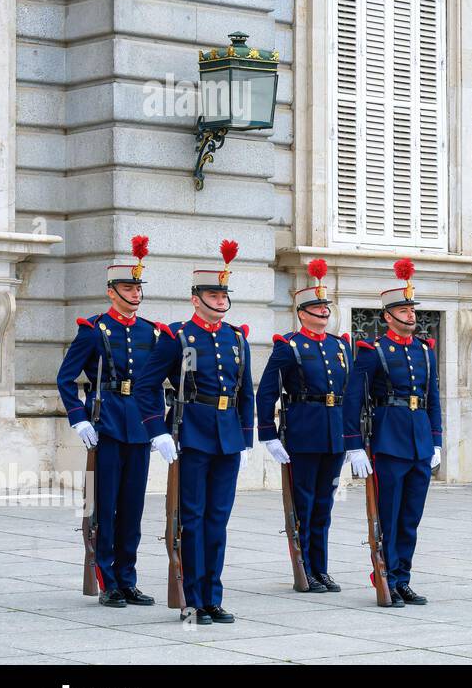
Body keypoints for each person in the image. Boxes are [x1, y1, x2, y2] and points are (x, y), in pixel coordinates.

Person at [135, 240, 254, 624]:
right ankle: (193, 598)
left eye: (223, 294)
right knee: (194, 518)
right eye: (212, 294)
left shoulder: (236, 338)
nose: (220, 300)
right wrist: (159, 431)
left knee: (218, 519)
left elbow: (244, 391)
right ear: (196, 299)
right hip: (192, 432)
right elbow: (146, 384)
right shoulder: (178, 336)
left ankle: (213, 597)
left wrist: (246, 438)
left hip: (227, 436)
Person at [56, 237, 160, 606]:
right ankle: (108, 578)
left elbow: (162, 381)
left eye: (137, 287)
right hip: (107, 424)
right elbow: (65, 378)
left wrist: (161, 427)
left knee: (133, 507)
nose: (135, 293)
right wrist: (79, 419)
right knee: (105, 505)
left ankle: (128, 578)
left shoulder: (153, 332)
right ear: (111, 291)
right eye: (128, 287)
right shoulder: (94, 329)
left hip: (141, 426)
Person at [342, 259, 442, 608]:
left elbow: (433, 398)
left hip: (419, 441)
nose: (411, 316)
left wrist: (437, 440)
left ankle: (403, 578)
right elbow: (352, 399)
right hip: (388, 440)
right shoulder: (374, 352)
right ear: (387, 316)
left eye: (412, 309)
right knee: (388, 513)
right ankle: (383, 574)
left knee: (411, 517)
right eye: (403, 310)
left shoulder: (425, 352)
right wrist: (354, 446)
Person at [256, 259, 351, 591]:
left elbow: (352, 394)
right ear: (303, 312)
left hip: (335, 434)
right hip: (303, 432)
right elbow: (267, 392)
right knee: (305, 503)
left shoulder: (341, 347)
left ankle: (321, 568)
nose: (324, 312)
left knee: (325, 504)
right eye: (317, 307)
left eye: (326, 306)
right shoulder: (289, 346)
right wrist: (268, 434)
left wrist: (355, 439)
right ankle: (304, 568)